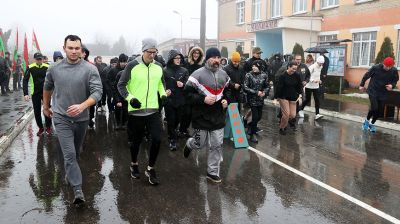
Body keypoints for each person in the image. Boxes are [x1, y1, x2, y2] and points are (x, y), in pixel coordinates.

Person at [43, 35, 103, 204]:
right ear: (64, 48)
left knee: (75, 153)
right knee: (70, 154)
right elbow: (47, 87)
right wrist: (46, 106)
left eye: (77, 48)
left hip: (82, 119)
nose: (74, 51)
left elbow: (97, 92)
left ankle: (68, 172)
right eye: (70, 48)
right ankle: (77, 190)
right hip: (61, 117)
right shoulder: (54, 68)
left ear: (81, 50)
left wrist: (83, 106)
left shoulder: (90, 69)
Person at [117, 38, 170, 185]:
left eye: (154, 52)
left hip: (153, 110)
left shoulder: (158, 66)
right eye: (149, 52)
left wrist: (163, 94)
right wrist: (130, 98)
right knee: (136, 141)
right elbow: (121, 85)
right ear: (143, 50)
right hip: (136, 111)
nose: (152, 55)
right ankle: (134, 164)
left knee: (158, 139)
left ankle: (150, 168)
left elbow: (160, 83)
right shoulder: (132, 66)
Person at [182, 47, 230, 183]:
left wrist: (227, 99)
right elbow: (187, 94)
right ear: (207, 58)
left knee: (216, 145)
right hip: (200, 115)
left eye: (218, 57)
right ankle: (190, 144)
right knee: (199, 144)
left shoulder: (224, 74)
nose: (216, 60)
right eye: (213, 57)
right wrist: (202, 99)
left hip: (218, 115)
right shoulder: (197, 75)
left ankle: (212, 172)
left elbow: (228, 91)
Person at [359, 57, 399, 132]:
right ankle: (366, 121)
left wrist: (392, 85)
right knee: (375, 108)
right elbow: (366, 76)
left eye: (390, 67)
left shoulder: (394, 70)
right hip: (373, 90)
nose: (388, 68)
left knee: (379, 111)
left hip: (383, 92)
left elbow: (395, 80)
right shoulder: (376, 68)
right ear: (383, 63)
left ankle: (371, 124)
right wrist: (362, 85)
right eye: (386, 66)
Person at [163, 49, 189, 150]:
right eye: (176, 58)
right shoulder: (165, 70)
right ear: (171, 59)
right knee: (171, 120)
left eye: (180, 58)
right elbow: (160, 84)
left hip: (180, 100)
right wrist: (165, 91)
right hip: (169, 100)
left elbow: (189, 85)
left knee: (178, 120)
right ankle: (172, 140)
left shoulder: (184, 70)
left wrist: (183, 84)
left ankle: (173, 132)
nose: (178, 60)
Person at [23, 52, 52, 136]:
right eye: (38, 59)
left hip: (46, 92)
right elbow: (25, 80)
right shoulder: (30, 67)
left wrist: (53, 91)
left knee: (47, 109)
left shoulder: (48, 67)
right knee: (37, 111)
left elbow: (53, 79)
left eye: (41, 59)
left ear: (42, 59)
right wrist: (25, 93)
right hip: (35, 93)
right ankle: (40, 128)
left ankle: (49, 127)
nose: (39, 60)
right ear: (34, 59)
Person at [243, 60, 269, 143]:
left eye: (255, 66)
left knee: (259, 117)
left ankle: (251, 127)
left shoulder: (264, 75)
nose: (253, 67)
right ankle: (252, 135)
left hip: (260, 99)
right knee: (255, 116)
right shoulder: (248, 75)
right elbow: (245, 87)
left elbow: (267, 86)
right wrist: (255, 92)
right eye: (253, 66)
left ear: (260, 67)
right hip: (252, 99)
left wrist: (264, 92)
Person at [275, 61, 302, 135]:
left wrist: (300, 95)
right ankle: (282, 127)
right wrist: (275, 98)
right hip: (283, 97)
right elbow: (279, 88)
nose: (294, 70)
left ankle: (284, 121)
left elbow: (299, 86)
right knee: (286, 114)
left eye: (295, 69)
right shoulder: (283, 76)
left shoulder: (297, 75)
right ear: (288, 67)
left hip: (293, 97)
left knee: (292, 115)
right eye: (293, 68)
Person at [298, 55, 324, 120]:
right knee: (307, 99)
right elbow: (307, 76)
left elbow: (318, 75)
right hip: (309, 86)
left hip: (316, 86)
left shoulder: (321, 67)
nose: (321, 64)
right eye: (320, 63)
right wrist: (313, 80)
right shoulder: (312, 67)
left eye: (322, 63)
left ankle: (317, 114)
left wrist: (319, 80)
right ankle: (300, 109)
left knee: (317, 100)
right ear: (317, 62)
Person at [111, 54, 129, 130]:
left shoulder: (129, 71)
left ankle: (125, 123)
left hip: (126, 94)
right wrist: (116, 99)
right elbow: (112, 84)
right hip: (117, 94)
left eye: (125, 62)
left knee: (125, 110)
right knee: (118, 110)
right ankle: (118, 123)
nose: (123, 63)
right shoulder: (114, 70)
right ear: (119, 62)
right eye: (121, 62)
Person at [293, 54, 311, 118]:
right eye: (297, 59)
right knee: (293, 100)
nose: (298, 61)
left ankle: (299, 110)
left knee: (302, 99)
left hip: (301, 87)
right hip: (293, 88)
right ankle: (291, 113)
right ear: (294, 59)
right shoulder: (291, 66)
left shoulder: (304, 66)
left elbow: (308, 75)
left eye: (300, 59)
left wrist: (306, 81)